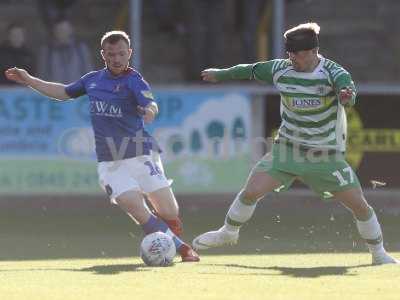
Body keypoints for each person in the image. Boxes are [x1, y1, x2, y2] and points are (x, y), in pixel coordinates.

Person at [192, 22, 398, 265]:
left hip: (324, 155)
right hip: (287, 150)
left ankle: (378, 254)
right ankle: (228, 232)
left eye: (297, 55)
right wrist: (222, 74)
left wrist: (346, 97)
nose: (292, 59)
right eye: (289, 54)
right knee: (251, 192)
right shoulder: (280, 69)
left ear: (313, 52)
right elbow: (249, 69)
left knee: (360, 206)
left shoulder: (333, 72)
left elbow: (348, 92)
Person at [5, 30, 199, 262]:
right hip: (110, 162)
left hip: (140, 152)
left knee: (169, 211)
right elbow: (63, 92)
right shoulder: (92, 80)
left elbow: (151, 103)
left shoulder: (134, 81)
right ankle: (182, 249)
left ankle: (166, 228)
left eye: (121, 54)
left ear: (129, 54)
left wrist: (149, 111)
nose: (116, 59)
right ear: (103, 55)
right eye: (111, 54)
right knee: (134, 206)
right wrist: (29, 80)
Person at [37, 19, 93, 84]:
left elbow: (88, 71)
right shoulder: (47, 51)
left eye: (65, 30)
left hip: (77, 91)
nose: (62, 32)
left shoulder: (80, 49)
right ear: (55, 31)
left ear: (71, 30)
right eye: (59, 30)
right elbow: (42, 75)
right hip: (54, 91)